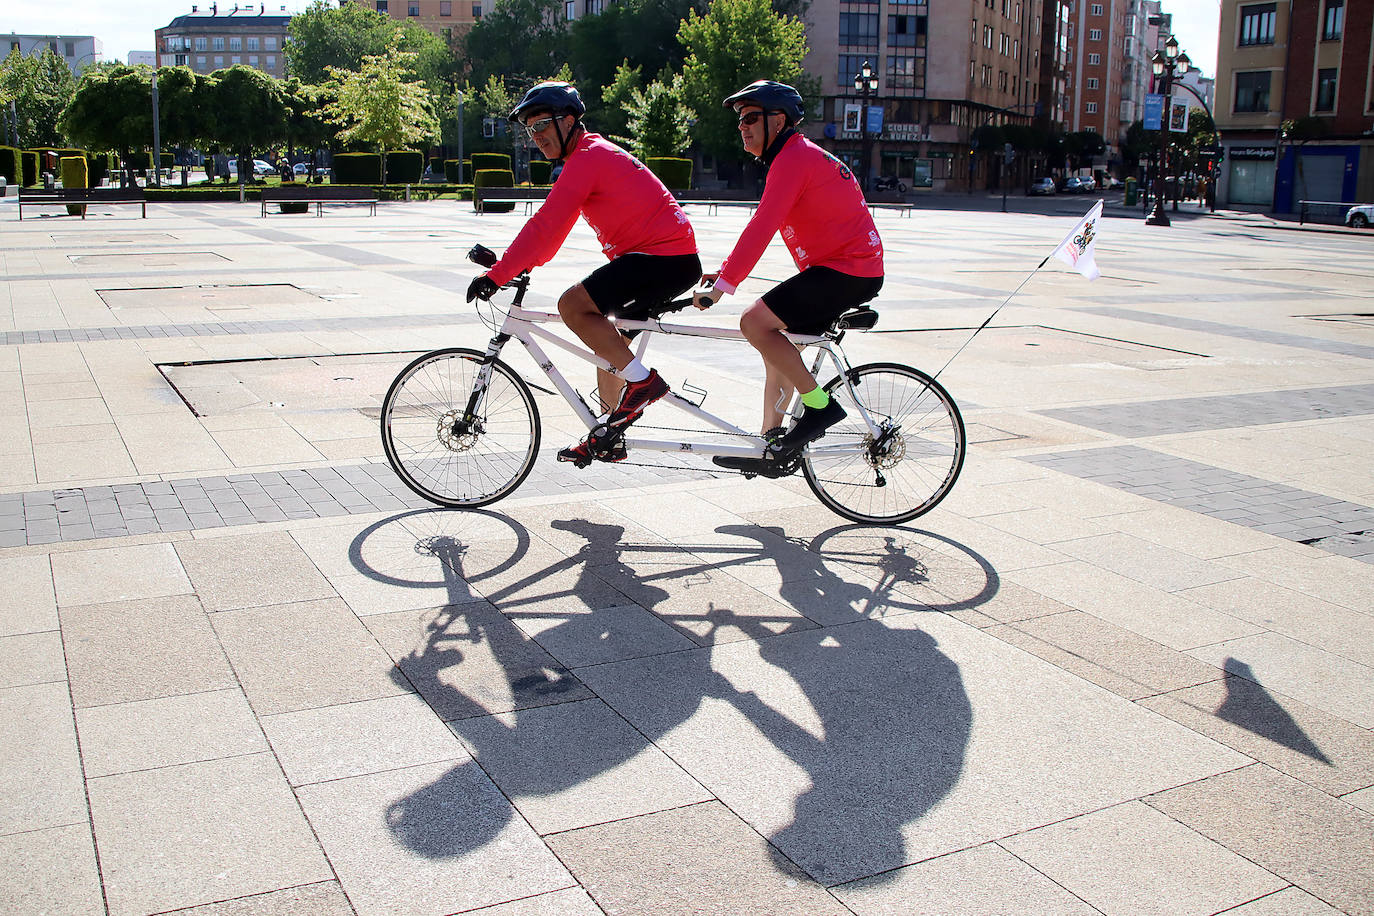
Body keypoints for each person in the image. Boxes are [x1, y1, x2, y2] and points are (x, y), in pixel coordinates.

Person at [465, 81, 701, 466]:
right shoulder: (589, 157)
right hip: (664, 259)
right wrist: (513, 265)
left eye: (541, 124)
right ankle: (610, 433)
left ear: (569, 121)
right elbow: (552, 235)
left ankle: (644, 384)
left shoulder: (588, 158)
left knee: (573, 306)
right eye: (530, 129)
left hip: (661, 258)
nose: (536, 136)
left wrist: (499, 275)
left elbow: (546, 224)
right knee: (609, 346)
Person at [693, 80, 883, 468]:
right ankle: (772, 448)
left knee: (755, 323)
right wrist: (724, 273)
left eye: (750, 118)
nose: (742, 127)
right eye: (739, 121)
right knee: (778, 353)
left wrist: (724, 285)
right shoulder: (797, 156)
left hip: (847, 271)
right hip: (847, 269)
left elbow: (763, 225)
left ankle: (819, 407)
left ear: (777, 121)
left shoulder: (794, 159)